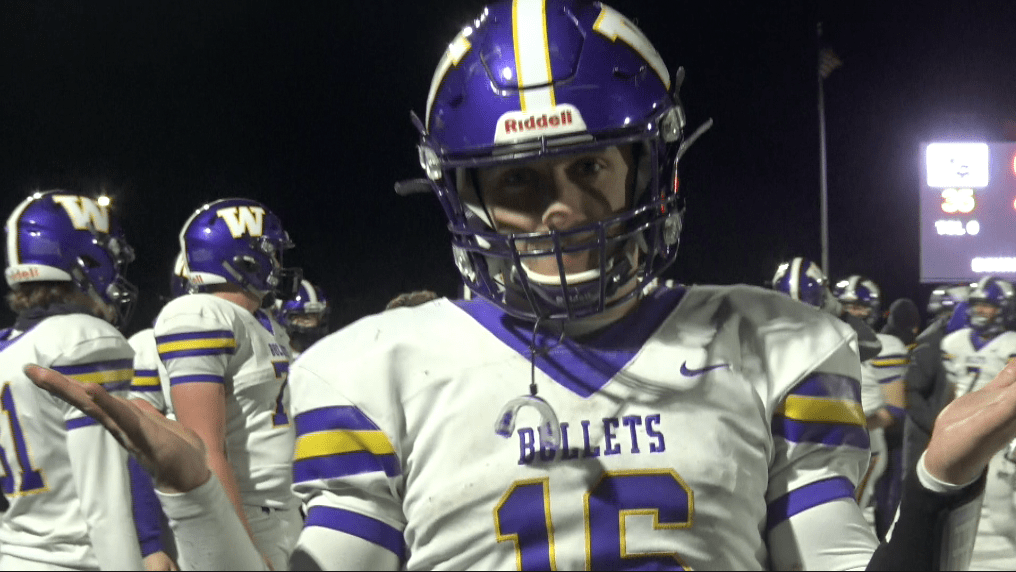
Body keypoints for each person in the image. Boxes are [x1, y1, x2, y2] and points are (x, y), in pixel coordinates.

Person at [20, 1, 1016, 569]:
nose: (561, 208)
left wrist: (939, 485)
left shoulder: (775, 343)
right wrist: (195, 496)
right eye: (520, 181)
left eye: (589, 167)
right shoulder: (379, 368)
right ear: (466, 197)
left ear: (647, 169)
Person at [153, 197, 303, 570]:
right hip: (246, 515)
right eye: (272, 253)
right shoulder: (201, 314)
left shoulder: (264, 322)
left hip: (285, 509)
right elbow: (204, 449)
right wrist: (241, 547)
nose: (278, 263)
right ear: (247, 259)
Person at [0, 191, 144, 569]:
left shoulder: (8, 348)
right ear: (85, 261)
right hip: (78, 560)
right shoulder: (84, 339)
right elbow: (107, 507)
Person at [942, 276, 1016, 569]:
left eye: (988, 305)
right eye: (977, 304)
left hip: (1003, 438)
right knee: (955, 512)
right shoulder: (954, 342)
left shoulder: (1011, 345)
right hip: (966, 434)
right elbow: (954, 391)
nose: (981, 311)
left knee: (1001, 518)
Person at [129, 252, 190, 571]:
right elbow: (140, 448)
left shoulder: (259, 338)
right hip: (182, 515)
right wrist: (151, 541)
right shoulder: (147, 346)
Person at [903, 283, 971, 484]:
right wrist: (937, 426)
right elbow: (911, 392)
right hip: (927, 440)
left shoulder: (966, 343)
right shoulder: (932, 344)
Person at [871, 298, 921, 539]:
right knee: (891, 494)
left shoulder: (882, 343)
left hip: (879, 426)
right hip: (893, 428)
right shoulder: (908, 347)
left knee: (883, 495)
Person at [770, 257, 882, 361]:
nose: (798, 316)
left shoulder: (830, 330)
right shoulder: (769, 334)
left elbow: (872, 346)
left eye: (857, 307)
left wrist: (842, 313)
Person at [273, 278, 330, 358]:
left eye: (313, 316)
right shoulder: (274, 355)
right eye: (302, 317)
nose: (309, 324)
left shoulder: (328, 353)